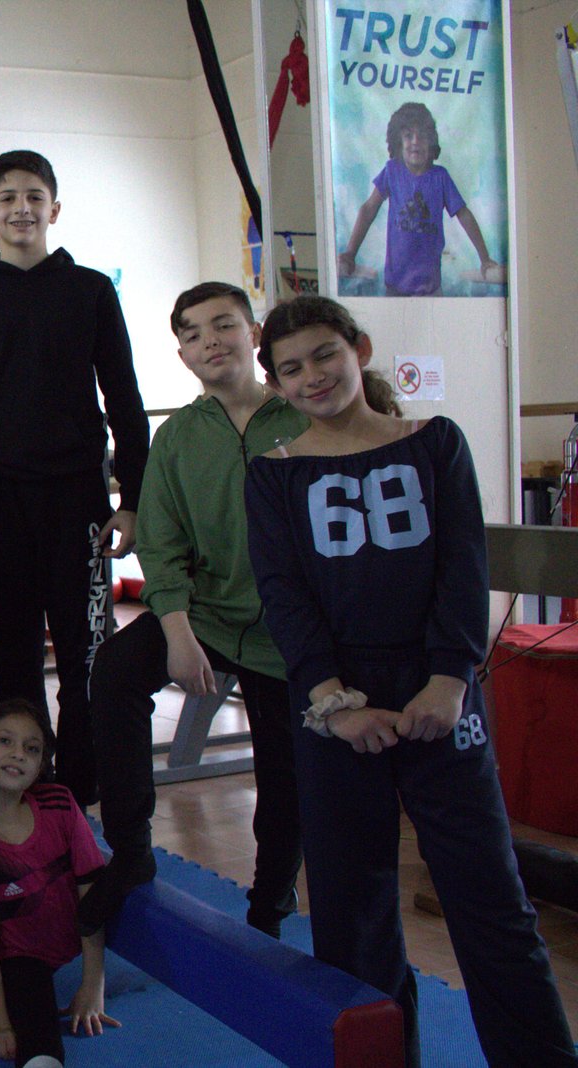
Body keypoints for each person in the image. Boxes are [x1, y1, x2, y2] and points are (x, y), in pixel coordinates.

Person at [244, 294, 576, 1067]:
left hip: (437, 694)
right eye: (291, 369)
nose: (313, 376)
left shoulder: (434, 443)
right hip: (337, 708)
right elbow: (284, 593)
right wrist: (333, 702)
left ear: (357, 349)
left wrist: (449, 680)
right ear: (278, 388)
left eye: (325, 354)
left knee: (491, 904)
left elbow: (464, 565)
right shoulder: (273, 476)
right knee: (352, 915)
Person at [81, 282, 305, 937]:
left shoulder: (301, 419)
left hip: (284, 633)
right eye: (193, 333)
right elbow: (162, 538)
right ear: (181, 354)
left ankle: (271, 903)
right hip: (205, 618)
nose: (211, 341)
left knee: (283, 769)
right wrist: (175, 631)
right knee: (115, 672)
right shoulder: (177, 437)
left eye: (224, 325)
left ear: (254, 333)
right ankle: (131, 854)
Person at [0, 149, 150, 806]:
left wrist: (133, 500)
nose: (21, 208)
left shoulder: (88, 290)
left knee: (87, 653)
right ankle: (23, 789)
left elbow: (124, 400)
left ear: (53, 209)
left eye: (34, 196)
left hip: (78, 500)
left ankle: (79, 793)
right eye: (8, 197)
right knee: (18, 654)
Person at [0, 700, 116, 1068]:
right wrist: (1, 1025)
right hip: (20, 959)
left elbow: (92, 893)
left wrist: (92, 985)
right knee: (38, 1038)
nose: (18, 755)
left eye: (32, 748)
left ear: (41, 766)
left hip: (70, 936)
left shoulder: (60, 804)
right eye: (4, 741)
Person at [337, 102, 502, 297]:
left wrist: (484, 258)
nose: (415, 141)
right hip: (395, 287)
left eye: (422, 136)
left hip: (431, 288)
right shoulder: (392, 171)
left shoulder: (440, 177)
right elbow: (368, 210)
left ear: (431, 142)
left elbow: (464, 215)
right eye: (408, 136)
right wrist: (350, 253)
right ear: (398, 142)